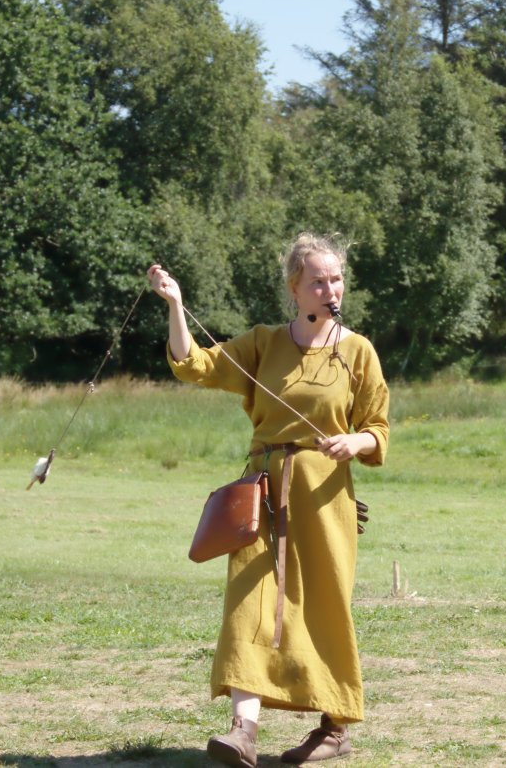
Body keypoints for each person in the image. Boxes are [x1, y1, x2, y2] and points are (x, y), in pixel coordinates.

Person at [148, 232, 390, 767]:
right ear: (295, 289)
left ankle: (334, 726)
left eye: (336, 279)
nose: (331, 289)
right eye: (318, 281)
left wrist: (355, 441)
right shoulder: (263, 343)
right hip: (261, 493)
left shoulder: (358, 351)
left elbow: (378, 429)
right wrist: (176, 305)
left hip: (325, 497)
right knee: (249, 603)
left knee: (325, 607)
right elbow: (195, 365)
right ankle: (243, 730)